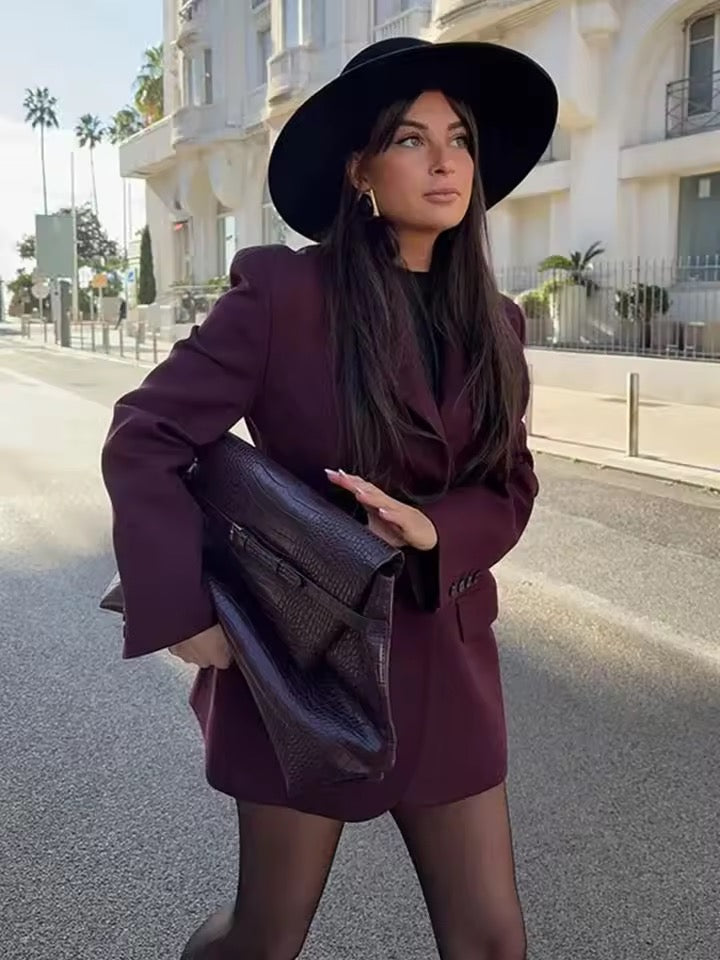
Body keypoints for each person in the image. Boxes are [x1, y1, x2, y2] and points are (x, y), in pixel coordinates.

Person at [101, 37, 557, 960]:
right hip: (301, 662)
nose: (445, 162)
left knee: (492, 940)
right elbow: (145, 435)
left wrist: (436, 530)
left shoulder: (497, 322)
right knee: (265, 936)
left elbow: (511, 482)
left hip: (447, 665)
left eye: (460, 140)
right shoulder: (284, 295)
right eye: (411, 139)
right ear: (360, 170)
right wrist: (183, 608)